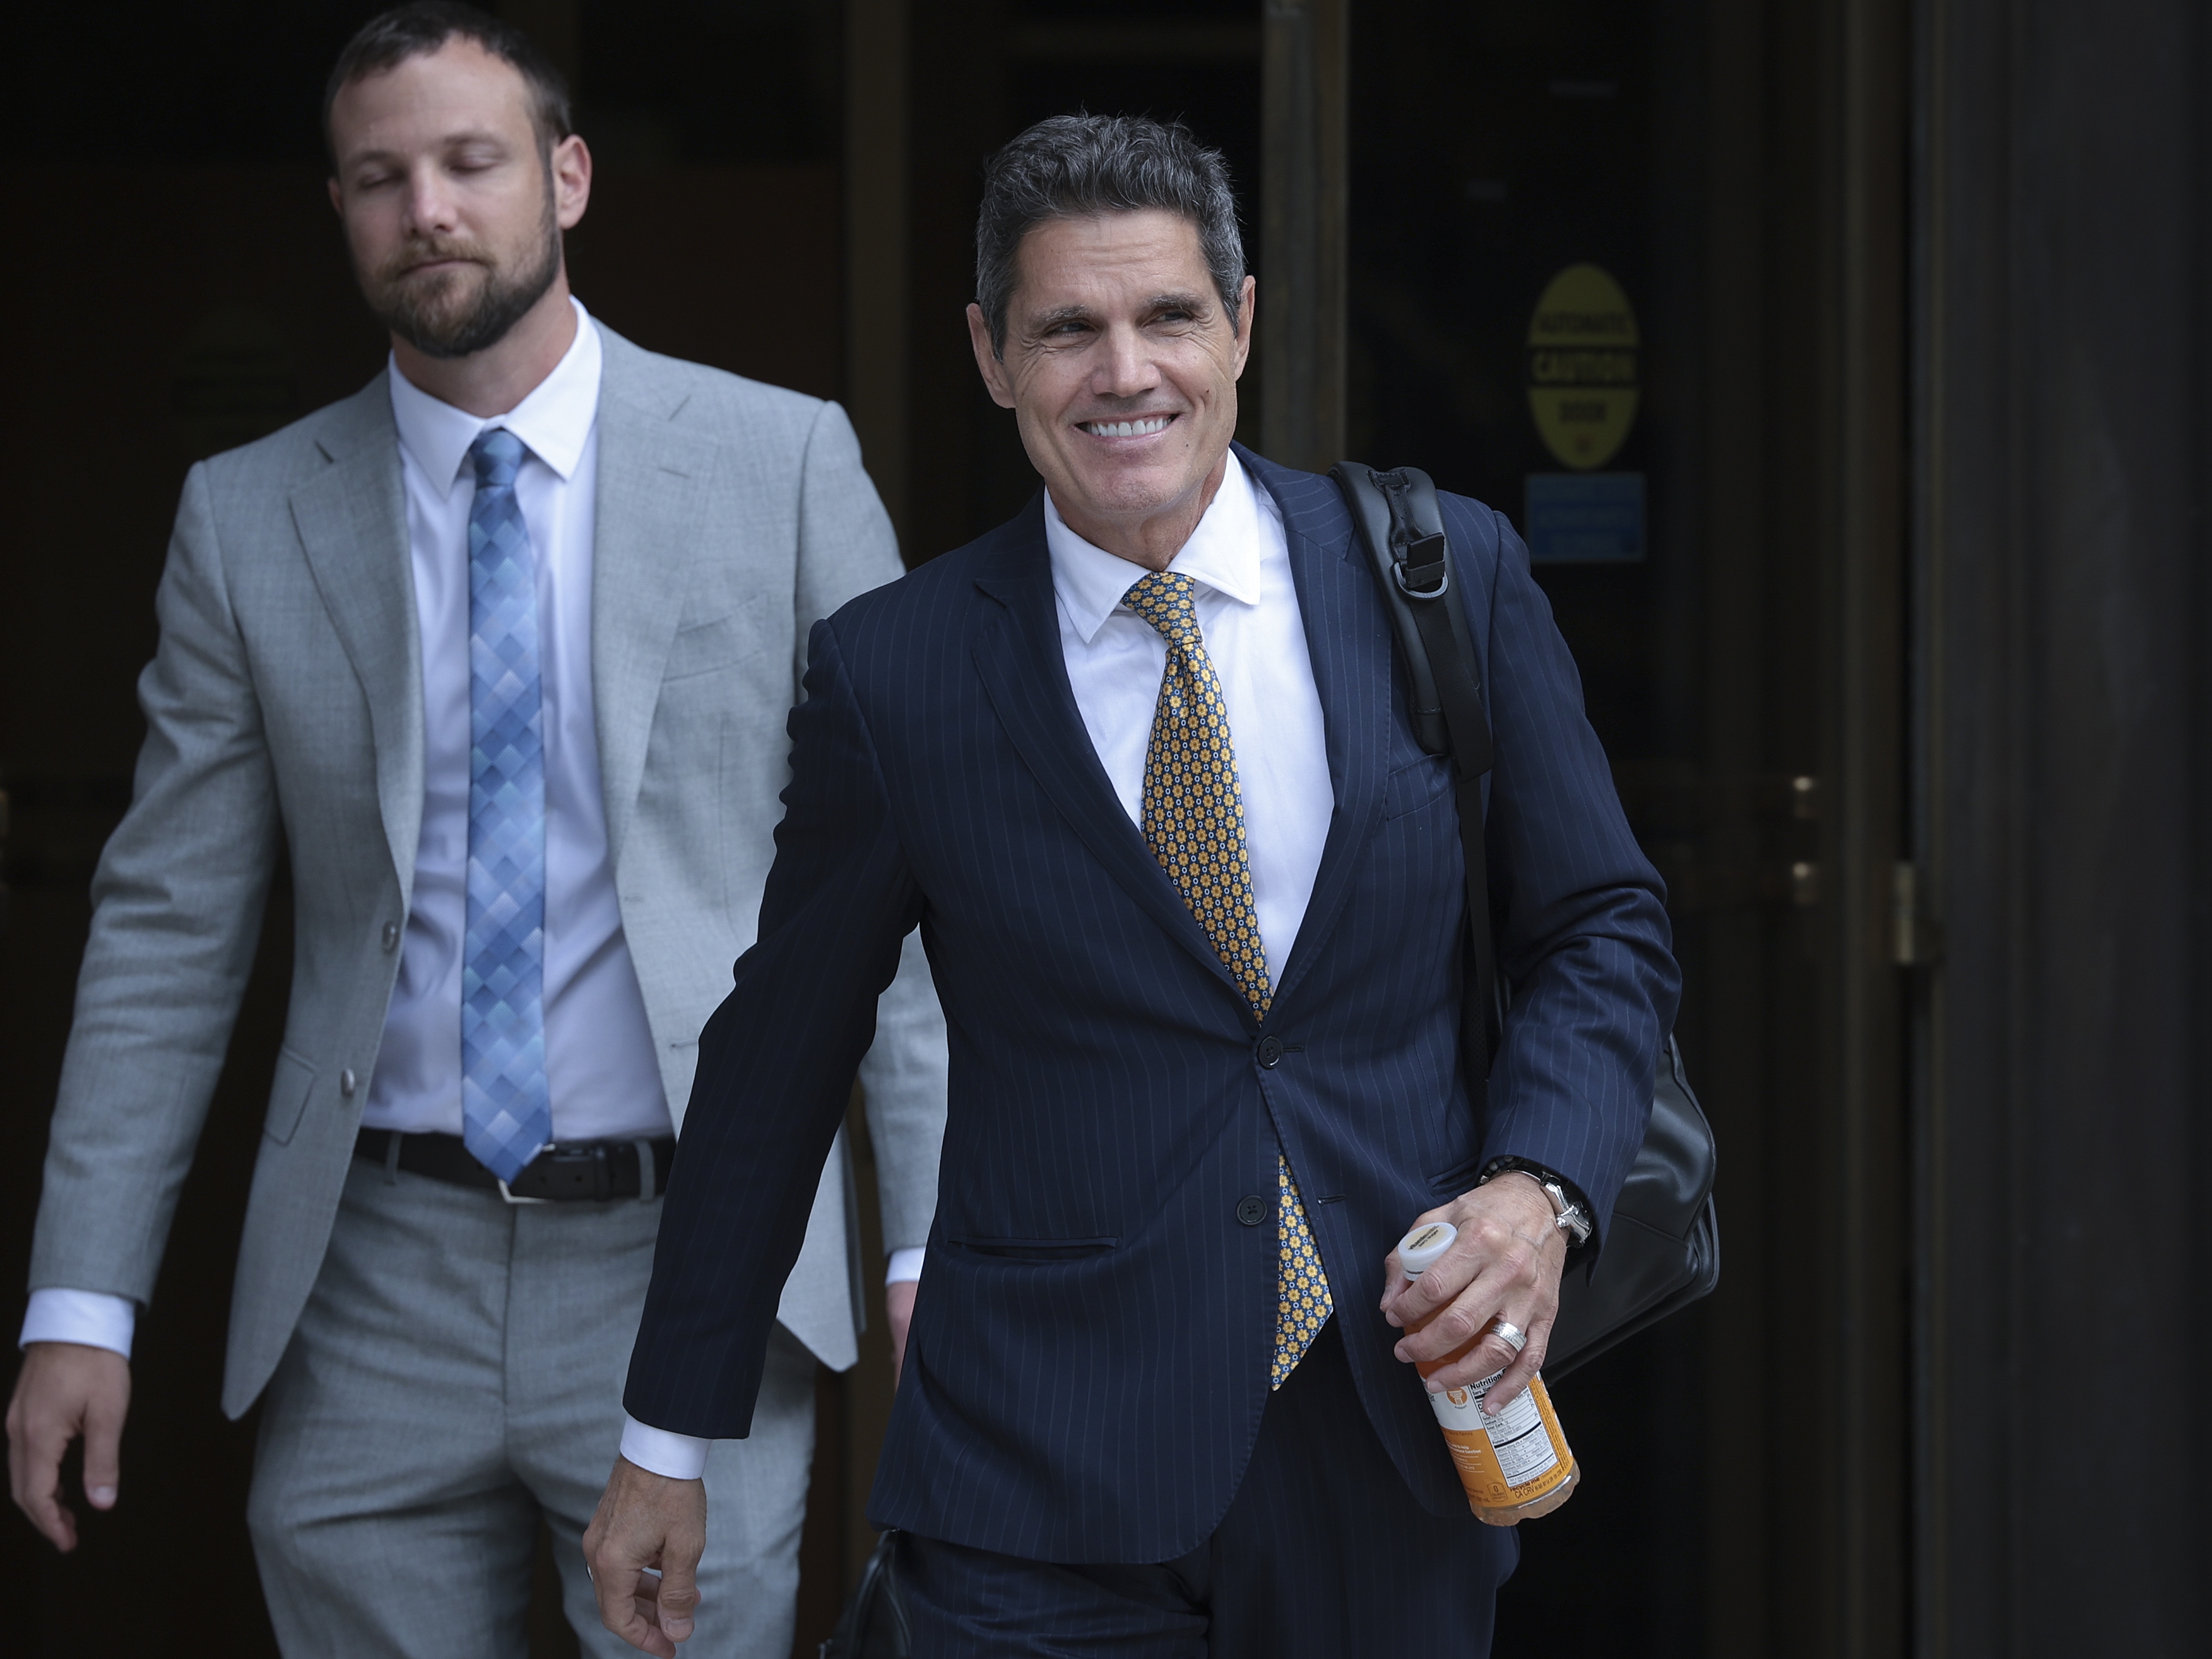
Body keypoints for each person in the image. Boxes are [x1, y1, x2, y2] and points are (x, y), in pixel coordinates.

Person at [587, 114, 1677, 1656]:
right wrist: (666, 1439)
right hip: (1037, 1467)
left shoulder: (1443, 574)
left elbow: (1601, 930)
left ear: (1239, 321)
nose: (1124, 372)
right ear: (989, 353)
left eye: (1167, 314)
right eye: (1067, 330)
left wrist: (1540, 1189)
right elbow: (776, 1064)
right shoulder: (898, 673)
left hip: (1388, 1423)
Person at [3, 6, 946, 1655]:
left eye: (469, 161)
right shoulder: (246, 515)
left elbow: (910, 883)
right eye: (379, 177)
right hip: (370, 1273)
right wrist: (82, 1298)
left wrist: (935, 1234)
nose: (426, 207)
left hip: (696, 1254)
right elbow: (166, 927)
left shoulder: (780, 461)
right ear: (341, 213)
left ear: (567, 177)